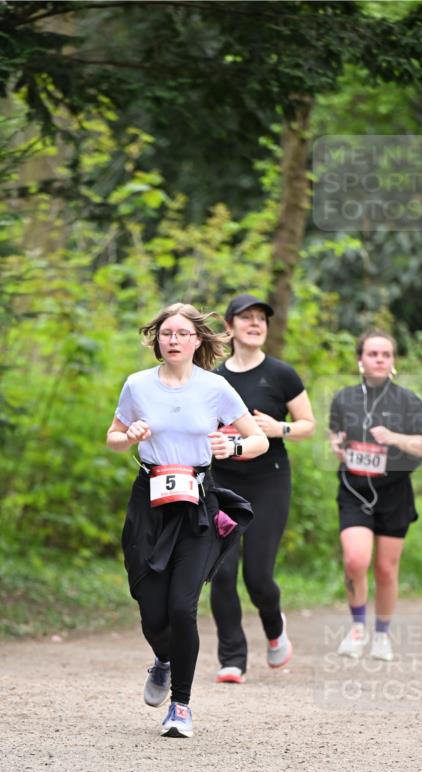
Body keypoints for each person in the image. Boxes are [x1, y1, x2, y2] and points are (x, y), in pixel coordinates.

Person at [106, 302, 268, 737]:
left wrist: (231, 448)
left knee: (182, 607)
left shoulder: (215, 389)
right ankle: (162, 659)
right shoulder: (137, 385)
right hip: (149, 501)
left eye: (181, 333)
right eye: (166, 334)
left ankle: (181, 706)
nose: (173, 340)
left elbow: (258, 441)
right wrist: (130, 436)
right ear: (156, 340)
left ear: (198, 341)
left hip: (197, 502)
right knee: (151, 611)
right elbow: (114, 437)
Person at [210, 294, 315, 683]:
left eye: (261, 319)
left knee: (257, 575)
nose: (255, 324)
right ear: (230, 326)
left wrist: (279, 428)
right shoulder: (214, 379)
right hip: (221, 481)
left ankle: (274, 628)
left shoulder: (281, 374)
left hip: (269, 479)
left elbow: (307, 423)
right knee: (221, 571)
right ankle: (232, 658)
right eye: (246, 317)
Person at [329, 329, 422, 660]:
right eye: (372, 354)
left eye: (385, 355)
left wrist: (394, 438)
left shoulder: (408, 401)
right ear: (361, 360)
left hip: (394, 492)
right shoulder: (344, 398)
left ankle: (382, 635)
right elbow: (336, 438)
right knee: (355, 560)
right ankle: (358, 627)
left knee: (386, 570)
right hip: (354, 490)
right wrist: (337, 447)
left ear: (393, 362)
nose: (379, 359)